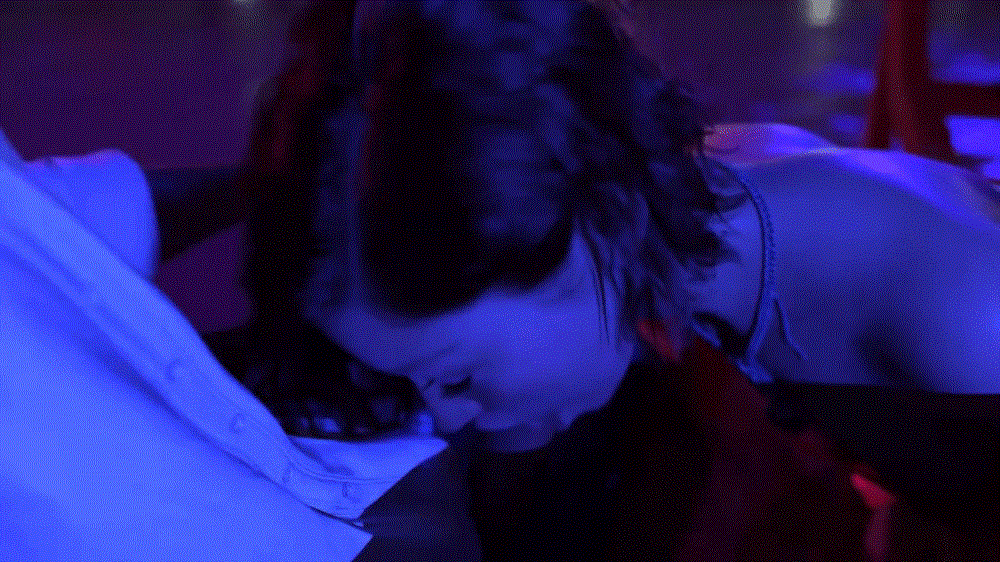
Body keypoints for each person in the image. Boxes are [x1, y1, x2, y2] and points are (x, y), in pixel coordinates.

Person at [234, 0, 998, 559]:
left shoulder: (959, 315)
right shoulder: (675, 210)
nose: (446, 415)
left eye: (455, 375)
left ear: (584, 230)